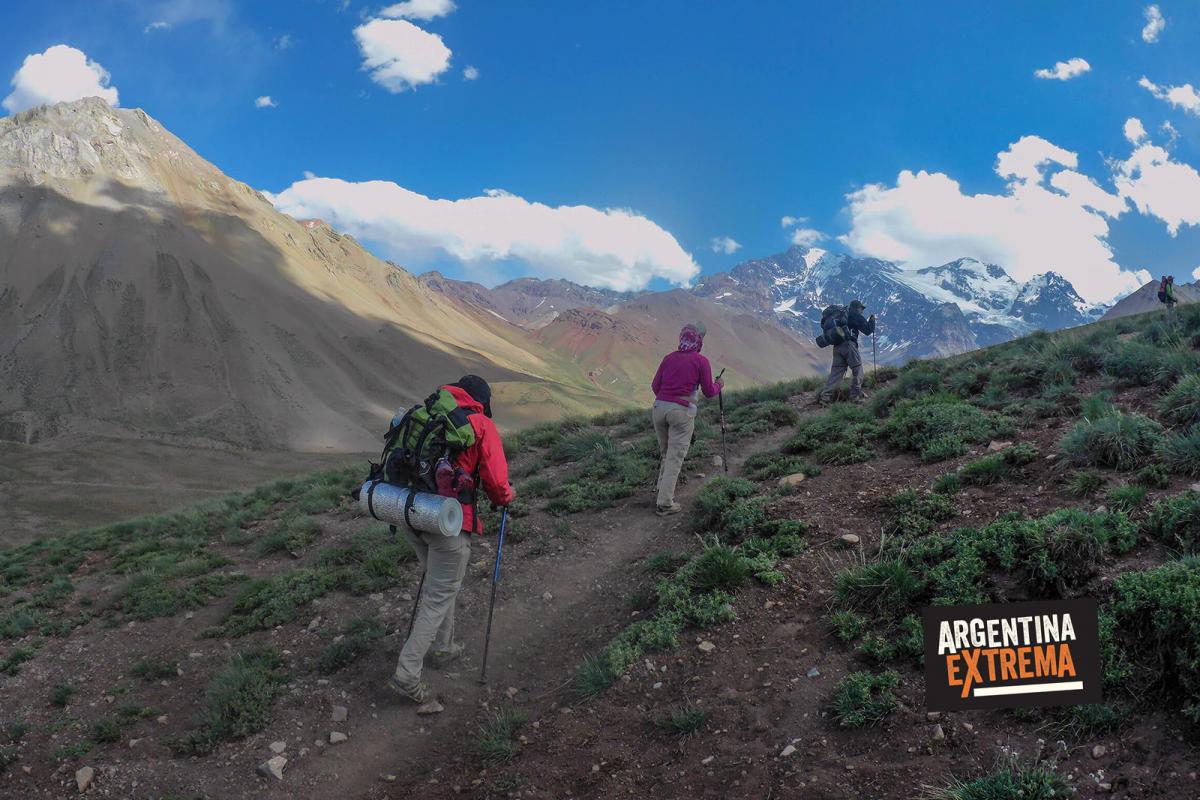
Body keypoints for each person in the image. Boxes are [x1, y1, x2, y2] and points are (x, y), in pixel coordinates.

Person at [388, 374, 514, 706]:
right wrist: (507, 497)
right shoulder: (480, 425)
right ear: (482, 401)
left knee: (440, 585)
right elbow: (498, 483)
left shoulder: (427, 413)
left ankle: (444, 647)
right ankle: (408, 672)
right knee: (438, 594)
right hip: (447, 521)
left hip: (409, 512)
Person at [650, 323, 722, 516]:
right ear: (699, 342)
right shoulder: (700, 361)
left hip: (659, 408)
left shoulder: (668, 358)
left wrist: (667, 398)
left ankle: (661, 490)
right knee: (675, 457)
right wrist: (719, 385)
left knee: (666, 453)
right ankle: (665, 503)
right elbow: (708, 391)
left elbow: (655, 385)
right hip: (681, 411)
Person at [818, 299, 875, 405]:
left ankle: (825, 397)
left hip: (837, 346)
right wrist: (872, 321)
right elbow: (867, 330)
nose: (862, 311)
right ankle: (855, 396)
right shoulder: (854, 315)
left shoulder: (840, 314)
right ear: (857, 308)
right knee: (857, 369)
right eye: (861, 309)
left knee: (836, 373)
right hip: (849, 345)